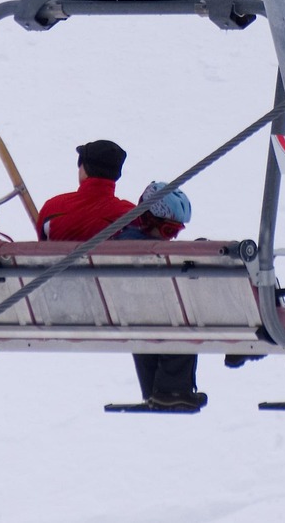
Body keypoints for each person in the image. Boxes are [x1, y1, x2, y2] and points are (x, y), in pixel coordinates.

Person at [37, 145, 208, 413]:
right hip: (119, 309)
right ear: (116, 175)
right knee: (161, 300)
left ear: (82, 168)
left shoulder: (52, 209)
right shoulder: (126, 216)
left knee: (142, 302)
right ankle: (169, 388)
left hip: (59, 307)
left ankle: (162, 389)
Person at [116, 182, 207, 412]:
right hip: (159, 314)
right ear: (147, 220)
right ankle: (171, 389)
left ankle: (156, 390)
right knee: (182, 312)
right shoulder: (150, 253)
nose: (171, 238)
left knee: (144, 317)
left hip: (126, 317)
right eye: (168, 231)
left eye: (176, 232)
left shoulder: (120, 245)